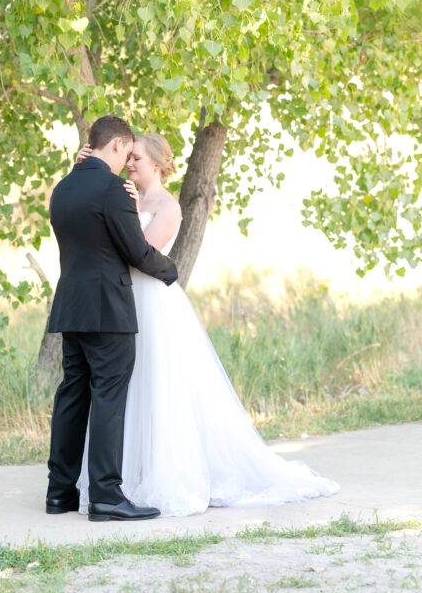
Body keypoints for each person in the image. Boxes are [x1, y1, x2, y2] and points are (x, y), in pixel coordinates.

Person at [74, 132, 340, 517]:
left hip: (152, 304)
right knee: (126, 391)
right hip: (119, 302)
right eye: (128, 158)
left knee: (158, 385)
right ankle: (120, 477)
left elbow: (139, 254)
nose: (129, 164)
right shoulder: (119, 195)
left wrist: (126, 213)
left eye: (137, 159)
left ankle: (162, 475)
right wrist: (85, 168)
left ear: (159, 165)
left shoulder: (168, 206)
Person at [45, 115, 178, 522]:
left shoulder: (64, 187)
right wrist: (170, 273)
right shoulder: (113, 189)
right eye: (128, 152)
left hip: (71, 306)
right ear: (118, 144)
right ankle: (105, 495)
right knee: (108, 397)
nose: (128, 164)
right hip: (109, 310)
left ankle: (59, 493)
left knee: (72, 395)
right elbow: (136, 252)